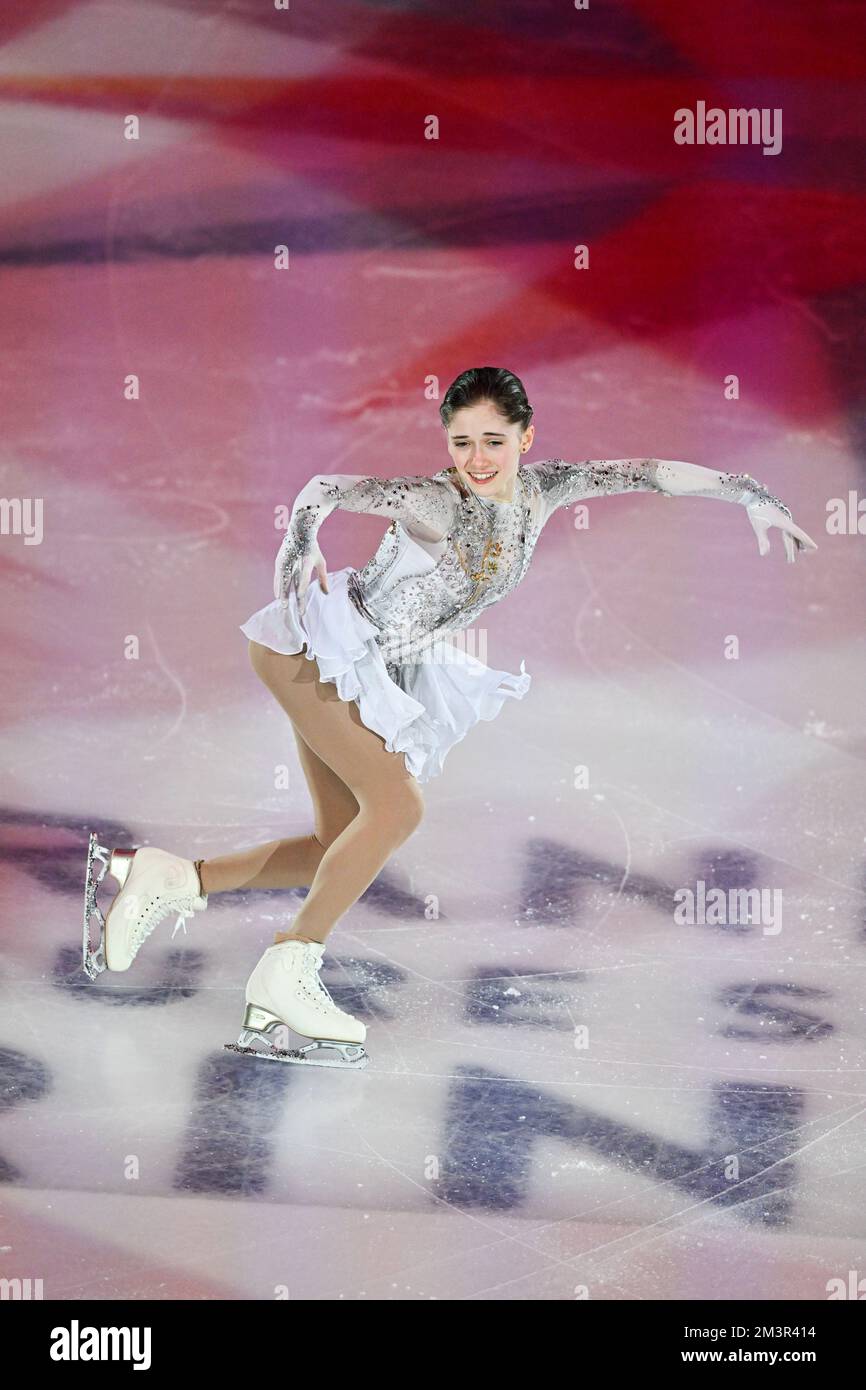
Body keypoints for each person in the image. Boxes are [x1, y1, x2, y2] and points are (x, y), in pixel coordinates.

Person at [82, 367, 818, 1069]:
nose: (476, 458)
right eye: (461, 441)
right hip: (320, 653)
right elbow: (323, 488)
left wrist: (750, 492)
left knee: (341, 843)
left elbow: (647, 473)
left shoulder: (545, 489)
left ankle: (170, 879)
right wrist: (299, 545)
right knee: (397, 809)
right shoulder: (439, 504)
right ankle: (287, 970)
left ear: (526, 438)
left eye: (494, 440)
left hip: (371, 668)